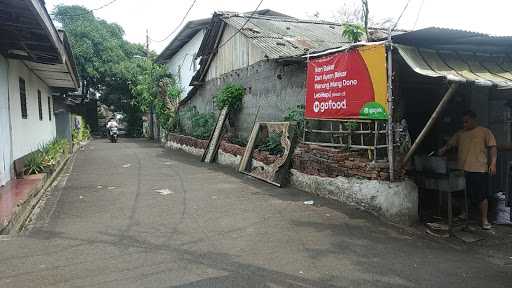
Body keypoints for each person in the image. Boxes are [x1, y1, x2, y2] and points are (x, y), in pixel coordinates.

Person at [438, 110, 497, 230]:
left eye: (466, 121)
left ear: (474, 120)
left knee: (481, 196)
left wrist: (493, 163)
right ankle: (464, 214)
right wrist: (443, 150)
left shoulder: (484, 131)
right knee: (462, 194)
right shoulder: (460, 134)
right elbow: (450, 144)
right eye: (463, 122)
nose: (464, 124)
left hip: (479, 169)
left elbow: (493, 147)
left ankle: (484, 219)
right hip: (462, 169)